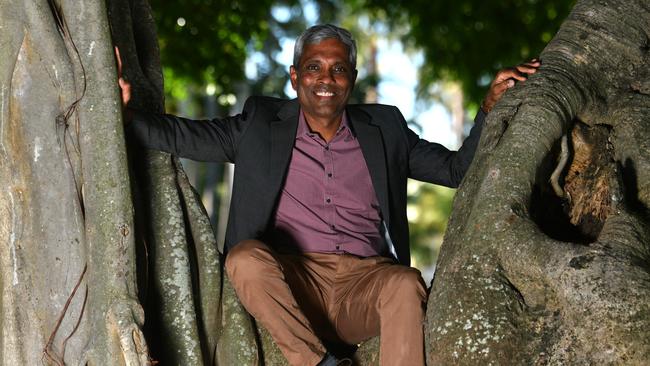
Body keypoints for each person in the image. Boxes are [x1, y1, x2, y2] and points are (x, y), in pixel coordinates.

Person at [120, 24, 539, 366]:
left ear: (351, 80)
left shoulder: (385, 130)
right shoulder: (260, 125)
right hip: (294, 281)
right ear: (295, 76)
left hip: (366, 282)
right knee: (244, 258)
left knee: (406, 284)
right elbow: (182, 135)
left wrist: (489, 109)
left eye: (338, 70)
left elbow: (456, 170)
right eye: (314, 67)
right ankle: (319, 364)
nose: (326, 79)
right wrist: (124, 111)